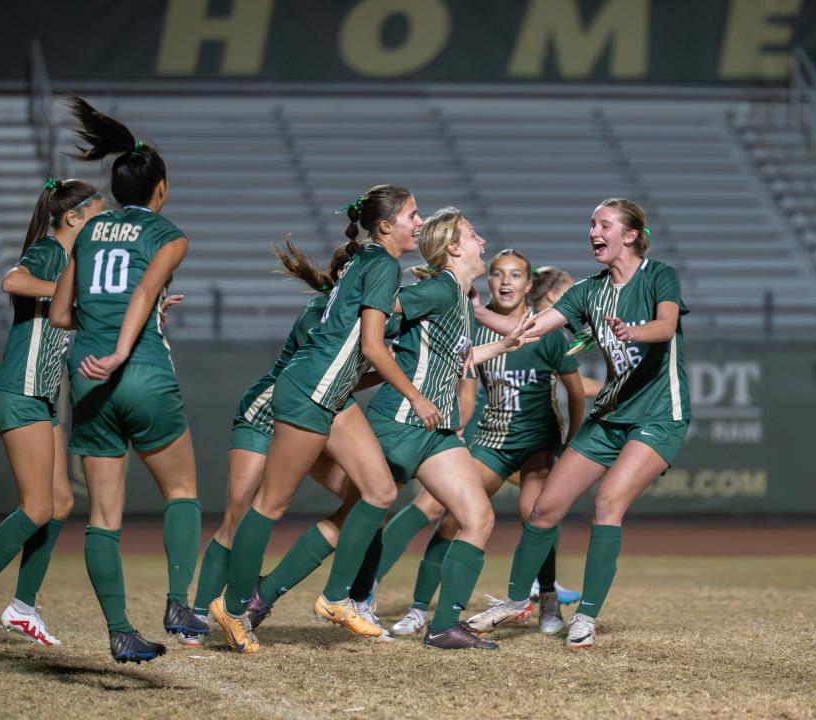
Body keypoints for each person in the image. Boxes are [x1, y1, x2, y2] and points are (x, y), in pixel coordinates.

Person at [210, 184, 434, 653]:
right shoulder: (383, 264)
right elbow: (372, 347)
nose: (420, 222)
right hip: (311, 390)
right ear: (386, 225)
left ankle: (336, 598)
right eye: (413, 214)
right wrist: (415, 396)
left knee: (379, 492)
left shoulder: (367, 261)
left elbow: (360, 347)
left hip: (330, 393)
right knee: (271, 504)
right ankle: (231, 610)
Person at [464, 197, 691, 650]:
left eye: (603, 224)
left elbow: (665, 328)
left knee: (608, 501)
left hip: (659, 416)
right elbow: (531, 328)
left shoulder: (659, 275)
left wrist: (632, 331)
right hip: (610, 415)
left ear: (629, 235)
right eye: (591, 224)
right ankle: (515, 601)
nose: (593, 231)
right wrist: (474, 311)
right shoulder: (588, 290)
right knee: (544, 509)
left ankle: (585, 617)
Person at [48, 96, 206, 664]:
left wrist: (105, 340)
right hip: (137, 369)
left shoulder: (88, 232)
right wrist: (122, 347)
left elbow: (62, 314)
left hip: (86, 379)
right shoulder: (169, 234)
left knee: (103, 518)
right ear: (158, 189)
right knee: (183, 493)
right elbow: (141, 291)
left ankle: (119, 630)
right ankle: (177, 604)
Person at [381, 249, 586, 638]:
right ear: (488, 281)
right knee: (452, 517)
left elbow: (576, 392)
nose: (506, 281)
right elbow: (467, 390)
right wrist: (457, 422)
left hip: (539, 443)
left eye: (515, 275)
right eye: (497, 274)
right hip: (492, 439)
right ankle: (418, 609)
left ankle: (546, 598)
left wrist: (573, 441)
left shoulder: (547, 332)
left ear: (529, 285)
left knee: (537, 514)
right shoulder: (473, 329)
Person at [183, 241, 370, 646]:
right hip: (269, 411)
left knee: (366, 497)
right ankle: (198, 617)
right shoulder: (321, 311)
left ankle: (265, 594)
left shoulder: (367, 316)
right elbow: (320, 372)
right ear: (343, 277)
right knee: (238, 515)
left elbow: (350, 375)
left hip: (317, 414)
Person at [0, 179, 103, 648]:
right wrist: (65, 293)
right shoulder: (52, 251)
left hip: (43, 397)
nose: (105, 220)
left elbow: (80, 315)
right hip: (18, 391)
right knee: (36, 506)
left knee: (60, 502)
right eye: (99, 212)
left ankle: (23, 607)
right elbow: (11, 281)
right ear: (73, 217)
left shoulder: (76, 266)